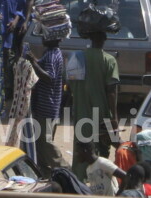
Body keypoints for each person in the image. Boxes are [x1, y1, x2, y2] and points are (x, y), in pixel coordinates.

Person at [69, 26, 120, 154]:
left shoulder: (77, 57)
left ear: (90, 38)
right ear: (105, 38)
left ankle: (80, 174)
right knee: (101, 151)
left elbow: (71, 86)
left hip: (81, 114)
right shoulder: (109, 60)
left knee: (82, 150)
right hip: (102, 117)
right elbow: (111, 92)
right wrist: (114, 117)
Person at [28, 33, 66, 171]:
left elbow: (49, 76)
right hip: (49, 105)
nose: (43, 38)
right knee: (40, 143)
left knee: (46, 142)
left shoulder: (51, 55)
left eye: (46, 36)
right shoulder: (53, 52)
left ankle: (65, 169)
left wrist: (32, 62)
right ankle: (44, 172)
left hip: (47, 105)